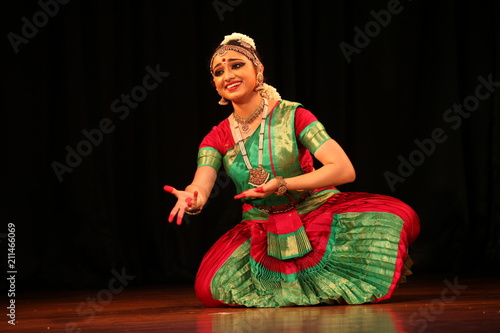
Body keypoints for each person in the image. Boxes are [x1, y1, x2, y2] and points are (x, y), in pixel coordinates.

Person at [164, 32, 420, 307]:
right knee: (209, 287)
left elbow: (344, 170)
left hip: (313, 210)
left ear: (258, 70)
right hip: (260, 225)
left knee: (396, 217)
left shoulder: (293, 115)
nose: (227, 75)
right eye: (218, 71)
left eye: (237, 65)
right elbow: (201, 181)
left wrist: (284, 184)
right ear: (215, 84)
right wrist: (193, 198)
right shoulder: (217, 136)